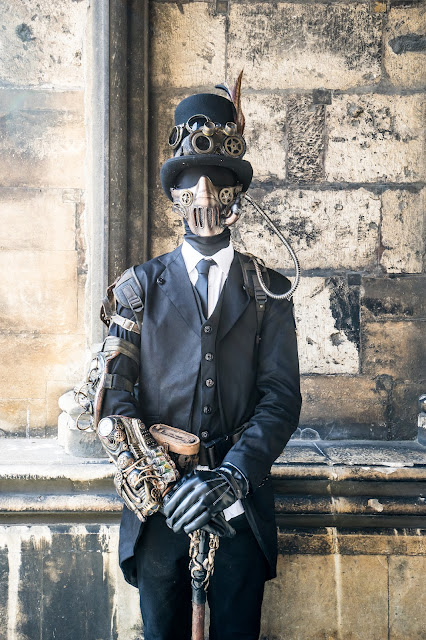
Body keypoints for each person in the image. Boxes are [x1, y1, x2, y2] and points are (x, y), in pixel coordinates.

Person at [99, 87, 302, 640]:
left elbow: (281, 398)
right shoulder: (137, 288)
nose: (205, 191)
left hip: (241, 501)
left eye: (217, 173)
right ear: (174, 194)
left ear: (238, 191)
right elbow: (114, 404)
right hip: (159, 513)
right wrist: (166, 489)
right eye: (191, 175)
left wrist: (231, 477)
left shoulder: (270, 289)